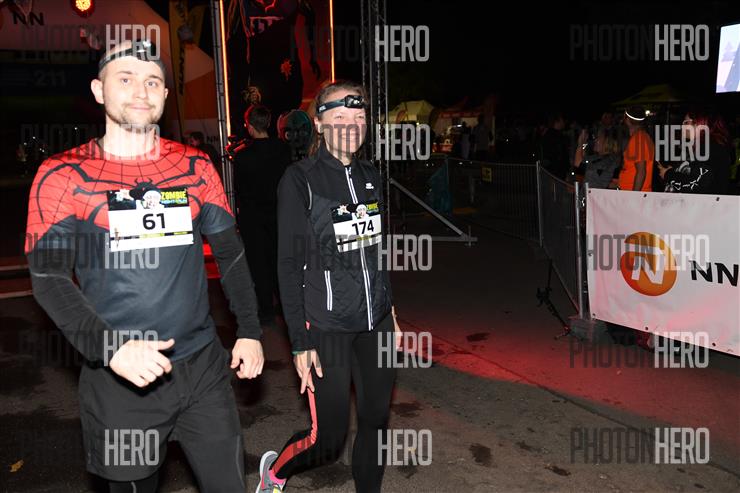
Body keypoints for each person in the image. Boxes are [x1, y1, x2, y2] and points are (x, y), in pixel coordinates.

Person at [25, 39, 264, 493]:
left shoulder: (196, 166)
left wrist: (249, 329)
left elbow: (230, 253)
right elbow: (49, 277)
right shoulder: (62, 174)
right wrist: (111, 348)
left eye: (153, 81)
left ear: (166, 95)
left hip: (202, 369)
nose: (141, 91)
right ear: (99, 90)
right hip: (120, 378)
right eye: (126, 78)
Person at [256, 80, 402, 493]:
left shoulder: (371, 175)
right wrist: (300, 341)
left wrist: (390, 309)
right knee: (329, 438)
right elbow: (287, 265)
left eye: (359, 117)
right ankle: (275, 472)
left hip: (376, 324)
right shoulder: (299, 180)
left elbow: (374, 250)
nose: (351, 126)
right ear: (319, 124)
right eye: (339, 117)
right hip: (327, 326)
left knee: (375, 420)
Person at [233, 104, 292, 324]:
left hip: (253, 218)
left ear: (249, 126)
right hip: (279, 215)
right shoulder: (283, 150)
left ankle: (266, 311)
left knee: (259, 265)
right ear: (268, 123)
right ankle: (286, 309)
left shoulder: (242, 156)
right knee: (280, 262)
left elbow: (240, 190)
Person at [658, 112, 733, 195]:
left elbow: (697, 184)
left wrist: (668, 174)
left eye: (686, 122)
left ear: (700, 124)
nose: (682, 126)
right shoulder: (703, 147)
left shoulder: (710, 148)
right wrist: (676, 171)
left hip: (704, 203)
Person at [618, 106, 654, 191]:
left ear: (627, 120)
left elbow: (641, 172)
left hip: (632, 192)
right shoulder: (641, 137)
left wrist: (634, 196)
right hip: (630, 191)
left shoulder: (639, 138)